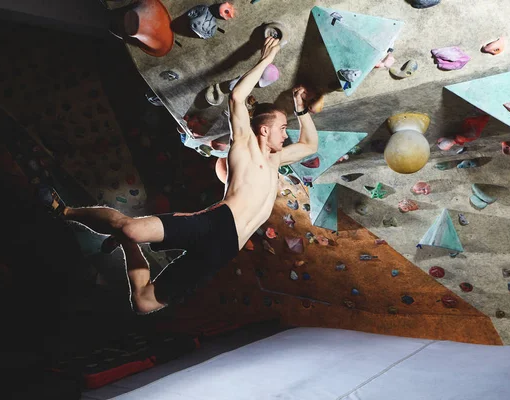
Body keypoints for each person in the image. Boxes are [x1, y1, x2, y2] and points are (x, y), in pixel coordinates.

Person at [38, 36, 318, 315]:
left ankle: (124, 243)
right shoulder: (244, 145)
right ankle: (65, 212)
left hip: (224, 250)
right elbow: (236, 97)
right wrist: (266, 60)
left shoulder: (276, 159)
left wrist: (301, 109)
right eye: (283, 127)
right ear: (264, 130)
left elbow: (310, 145)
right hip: (215, 225)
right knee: (129, 228)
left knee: (144, 304)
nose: (286, 134)